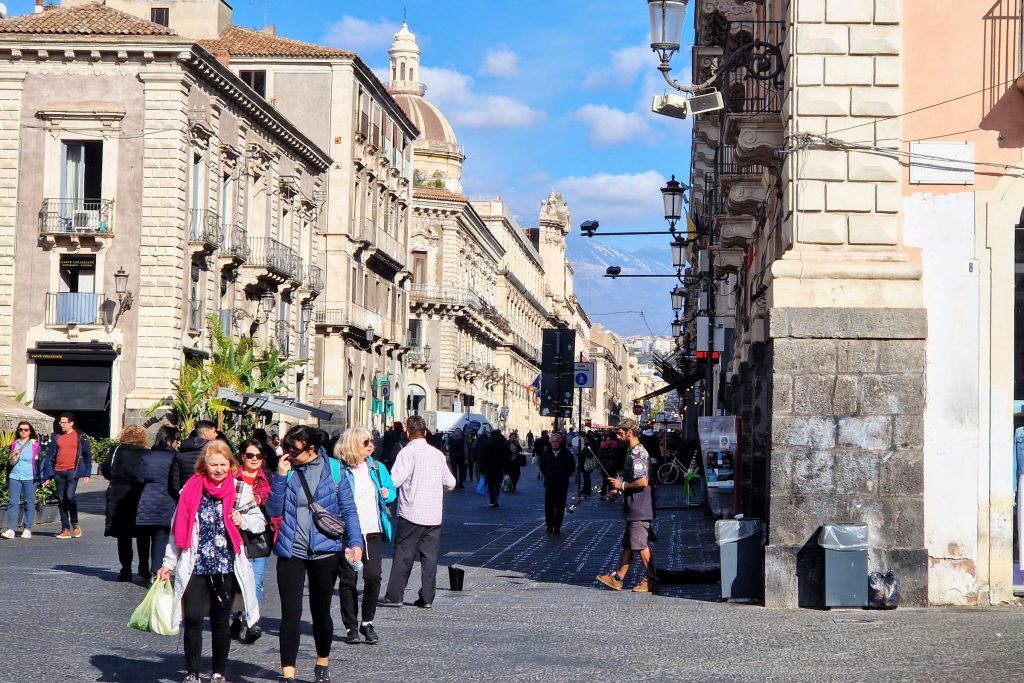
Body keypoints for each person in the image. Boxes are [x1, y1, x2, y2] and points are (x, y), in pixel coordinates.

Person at [156, 440, 264, 683]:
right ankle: (192, 672)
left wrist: (243, 520)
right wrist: (168, 563)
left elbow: (259, 522)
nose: (218, 469)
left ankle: (218, 672)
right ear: (204, 465)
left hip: (226, 566)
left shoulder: (239, 490)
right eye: (213, 464)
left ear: (230, 465)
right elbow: (177, 530)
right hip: (195, 564)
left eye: (223, 464)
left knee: (220, 621)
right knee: (192, 618)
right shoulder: (191, 489)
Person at [266, 425, 363, 683]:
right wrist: (279, 477)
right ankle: (289, 674)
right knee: (290, 614)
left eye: (293, 450)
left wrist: (355, 542)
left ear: (311, 449)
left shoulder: (334, 470)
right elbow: (273, 510)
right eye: (285, 448)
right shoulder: (286, 471)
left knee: (320, 612)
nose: (287, 454)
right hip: (291, 550)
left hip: (325, 551)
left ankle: (322, 662)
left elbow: (349, 510)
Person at [379, 415, 456, 609]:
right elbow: (451, 482)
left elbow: (395, 479)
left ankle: (395, 595)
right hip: (433, 514)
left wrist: (384, 491)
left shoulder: (407, 453)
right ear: (425, 432)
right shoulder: (437, 454)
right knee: (430, 557)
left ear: (408, 432)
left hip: (411, 512)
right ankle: (427, 597)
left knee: (404, 553)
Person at [335, 427, 396, 645]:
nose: (371, 444)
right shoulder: (340, 470)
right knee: (348, 580)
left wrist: (388, 494)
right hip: (349, 533)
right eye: (366, 442)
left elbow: (390, 489)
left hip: (372, 530)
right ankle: (351, 625)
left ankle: (367, 621)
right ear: (352, 445)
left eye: (372, 441)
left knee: (373, 576)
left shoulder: (377, 468)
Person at [596, 418, 658, 594]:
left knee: (639, 544)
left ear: (629, 432)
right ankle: (617, 578)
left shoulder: (638, 453)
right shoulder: (632, 452)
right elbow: (633, 481)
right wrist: (619, 490)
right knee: (629, 544)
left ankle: (651, 580)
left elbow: (642, 481)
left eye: (620, 431)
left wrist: (622, 486)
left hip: (640, 506)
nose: (617, 434)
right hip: (635, 505)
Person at [230, 438, 275, 644]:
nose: (254, 459)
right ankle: (237, 616)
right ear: (242, 456)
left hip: (259, 536)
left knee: (255, 580)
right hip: (235, 536)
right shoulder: (232, 478)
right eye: (250, 455)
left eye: (258, 455)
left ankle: (251, 622)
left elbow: (276, 508)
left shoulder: (270, 479)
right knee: (238, 581)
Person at [102, 424, 150, 582]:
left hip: (118, 493)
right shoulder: (147, 453)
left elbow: (106, 470)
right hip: (140, 493)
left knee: (123, 536)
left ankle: (126, 570)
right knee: (143, 534)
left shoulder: (116, 451)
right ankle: (143, 569)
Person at [137, 425, 179, 582]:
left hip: (146, 500)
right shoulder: (174, 458)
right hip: (167, 502)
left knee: (143, 537)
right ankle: (156, 570)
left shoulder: (146, 456)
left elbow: (139, 479)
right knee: (161, 537)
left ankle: (142, 568)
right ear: (172, 441)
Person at [40, 411, 92, 539]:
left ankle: (75, 523)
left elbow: (87, 456)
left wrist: (87, 473)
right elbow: (49, 457)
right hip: (58, 472)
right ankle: (65, 529)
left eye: (64, 422)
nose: (61, 424)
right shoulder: (57, 437)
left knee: (69, 497)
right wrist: (47, 476)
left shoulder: (81, 437)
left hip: (72, 471)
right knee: (61, 500)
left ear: (71, 423)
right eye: (60, 422)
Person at [3, 421, 42, 539]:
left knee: (28, 502)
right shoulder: (14, 444)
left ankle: (27, 528)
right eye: (21, 429)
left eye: (26, 429)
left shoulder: (35, 444)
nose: (23, 432)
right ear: (18, 431)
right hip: (15, 476)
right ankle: (11, 529)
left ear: (30, 431)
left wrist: (43, 477)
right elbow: (10, 461)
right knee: (13, 502)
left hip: (30, 476)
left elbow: (41, 461)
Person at [170, 421, 218, 502]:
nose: (216, 434)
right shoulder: (214, 454)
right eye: (214, 432)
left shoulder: (180, 455)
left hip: (186, 499)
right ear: (206, 434)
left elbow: (175, 485)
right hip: (209, 500)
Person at [538, 432, 575, 534]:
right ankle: (549, 525)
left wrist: (564, 475)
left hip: (562, 483)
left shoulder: (567, 454)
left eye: (556, 442)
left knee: (560, 505)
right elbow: (542, 466)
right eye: (552, 442)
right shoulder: (546, 453)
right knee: (548, 505)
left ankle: (557, 526)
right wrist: (547, 474)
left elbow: (571, 467)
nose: (554, 444)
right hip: (549, 483)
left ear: (560, 442)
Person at [482, 428, 509, 507]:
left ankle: (492, 499)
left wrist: (482, 468)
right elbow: (505, 458)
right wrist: (506, 469)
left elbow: (484, 457)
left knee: (490, 484)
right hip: (499, 467)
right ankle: (496, 497)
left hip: (489, 468)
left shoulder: (487, 445)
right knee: (498, 483)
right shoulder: (502, 445)